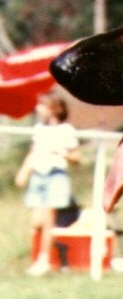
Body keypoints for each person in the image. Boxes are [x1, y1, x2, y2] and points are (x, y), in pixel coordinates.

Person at [14, 92, 80, 276]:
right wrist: (24, 172)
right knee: (36, 221)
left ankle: (44, 259)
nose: (37, 109)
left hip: (55, 176)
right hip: (38, 176)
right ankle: (57, 251)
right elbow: (33, 152)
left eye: (41, 105)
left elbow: (76, 157)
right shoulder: (39, 129)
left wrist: (61, 152)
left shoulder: (66, 130)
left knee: (48, 219)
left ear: (53, 109)